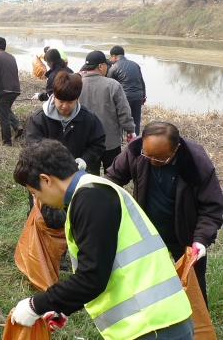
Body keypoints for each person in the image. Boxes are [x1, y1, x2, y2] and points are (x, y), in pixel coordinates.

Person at [11, 139, 193, 340]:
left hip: (152, 326)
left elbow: (92, 277)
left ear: (46, 180)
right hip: (154, 322)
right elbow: (104, 268)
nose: (39, 201)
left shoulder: (91, 199)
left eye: (35, 193)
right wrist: (62, 306)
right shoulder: (94, 192)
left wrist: (34, 305)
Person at [106, 121, 223, 306]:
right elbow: (112, 179)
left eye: (160, 158)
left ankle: (197, 329)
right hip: (147, 233)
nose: (152, 161)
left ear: (176, 148)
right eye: (148, 155)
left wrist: (201, 239)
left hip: (185, 235)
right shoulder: (137, 150)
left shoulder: (196, 161)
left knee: (193, 288)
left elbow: (212, 207)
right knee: (146, 284)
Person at [26, 71, 105, 269]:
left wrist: (84, 160)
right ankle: (47, 254)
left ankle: (73, 251)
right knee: (45, 216)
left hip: (76, 179)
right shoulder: (39, 118)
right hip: (46, 179)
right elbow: (33, 147)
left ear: (77, 98)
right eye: (61, 100)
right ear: (53, 95)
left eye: (70, 102)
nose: (64, 106)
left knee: (76, 215)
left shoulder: (88, 119)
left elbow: (97, 144)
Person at [79, 50, 135, 175]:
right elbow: (124, 111)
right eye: (106, 65)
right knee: (113, 174)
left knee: (90, 176)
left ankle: (92, 194)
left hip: (87, 142)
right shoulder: (113, 85)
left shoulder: (77, 84)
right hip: (110, 141)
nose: (107, 68)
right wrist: (130, 130)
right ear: (100, 66)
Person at [0, 37, 23, 146]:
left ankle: (7, 142)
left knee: (2, 117)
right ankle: (17, 125)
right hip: (15, 89)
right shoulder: (11, 56)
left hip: (4, 90)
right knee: (5, 109)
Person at [107, 45, 146, 136]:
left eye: (111, 57)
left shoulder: (114, 67)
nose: (110, 59)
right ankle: (135, 139)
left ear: (114, 56)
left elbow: (109, 84)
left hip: (124, 97)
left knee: (120, 118)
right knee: (136, 119)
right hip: (138, 96)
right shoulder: (135, 64)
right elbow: (142, 82)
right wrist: (143, 96)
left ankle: (119, 139)